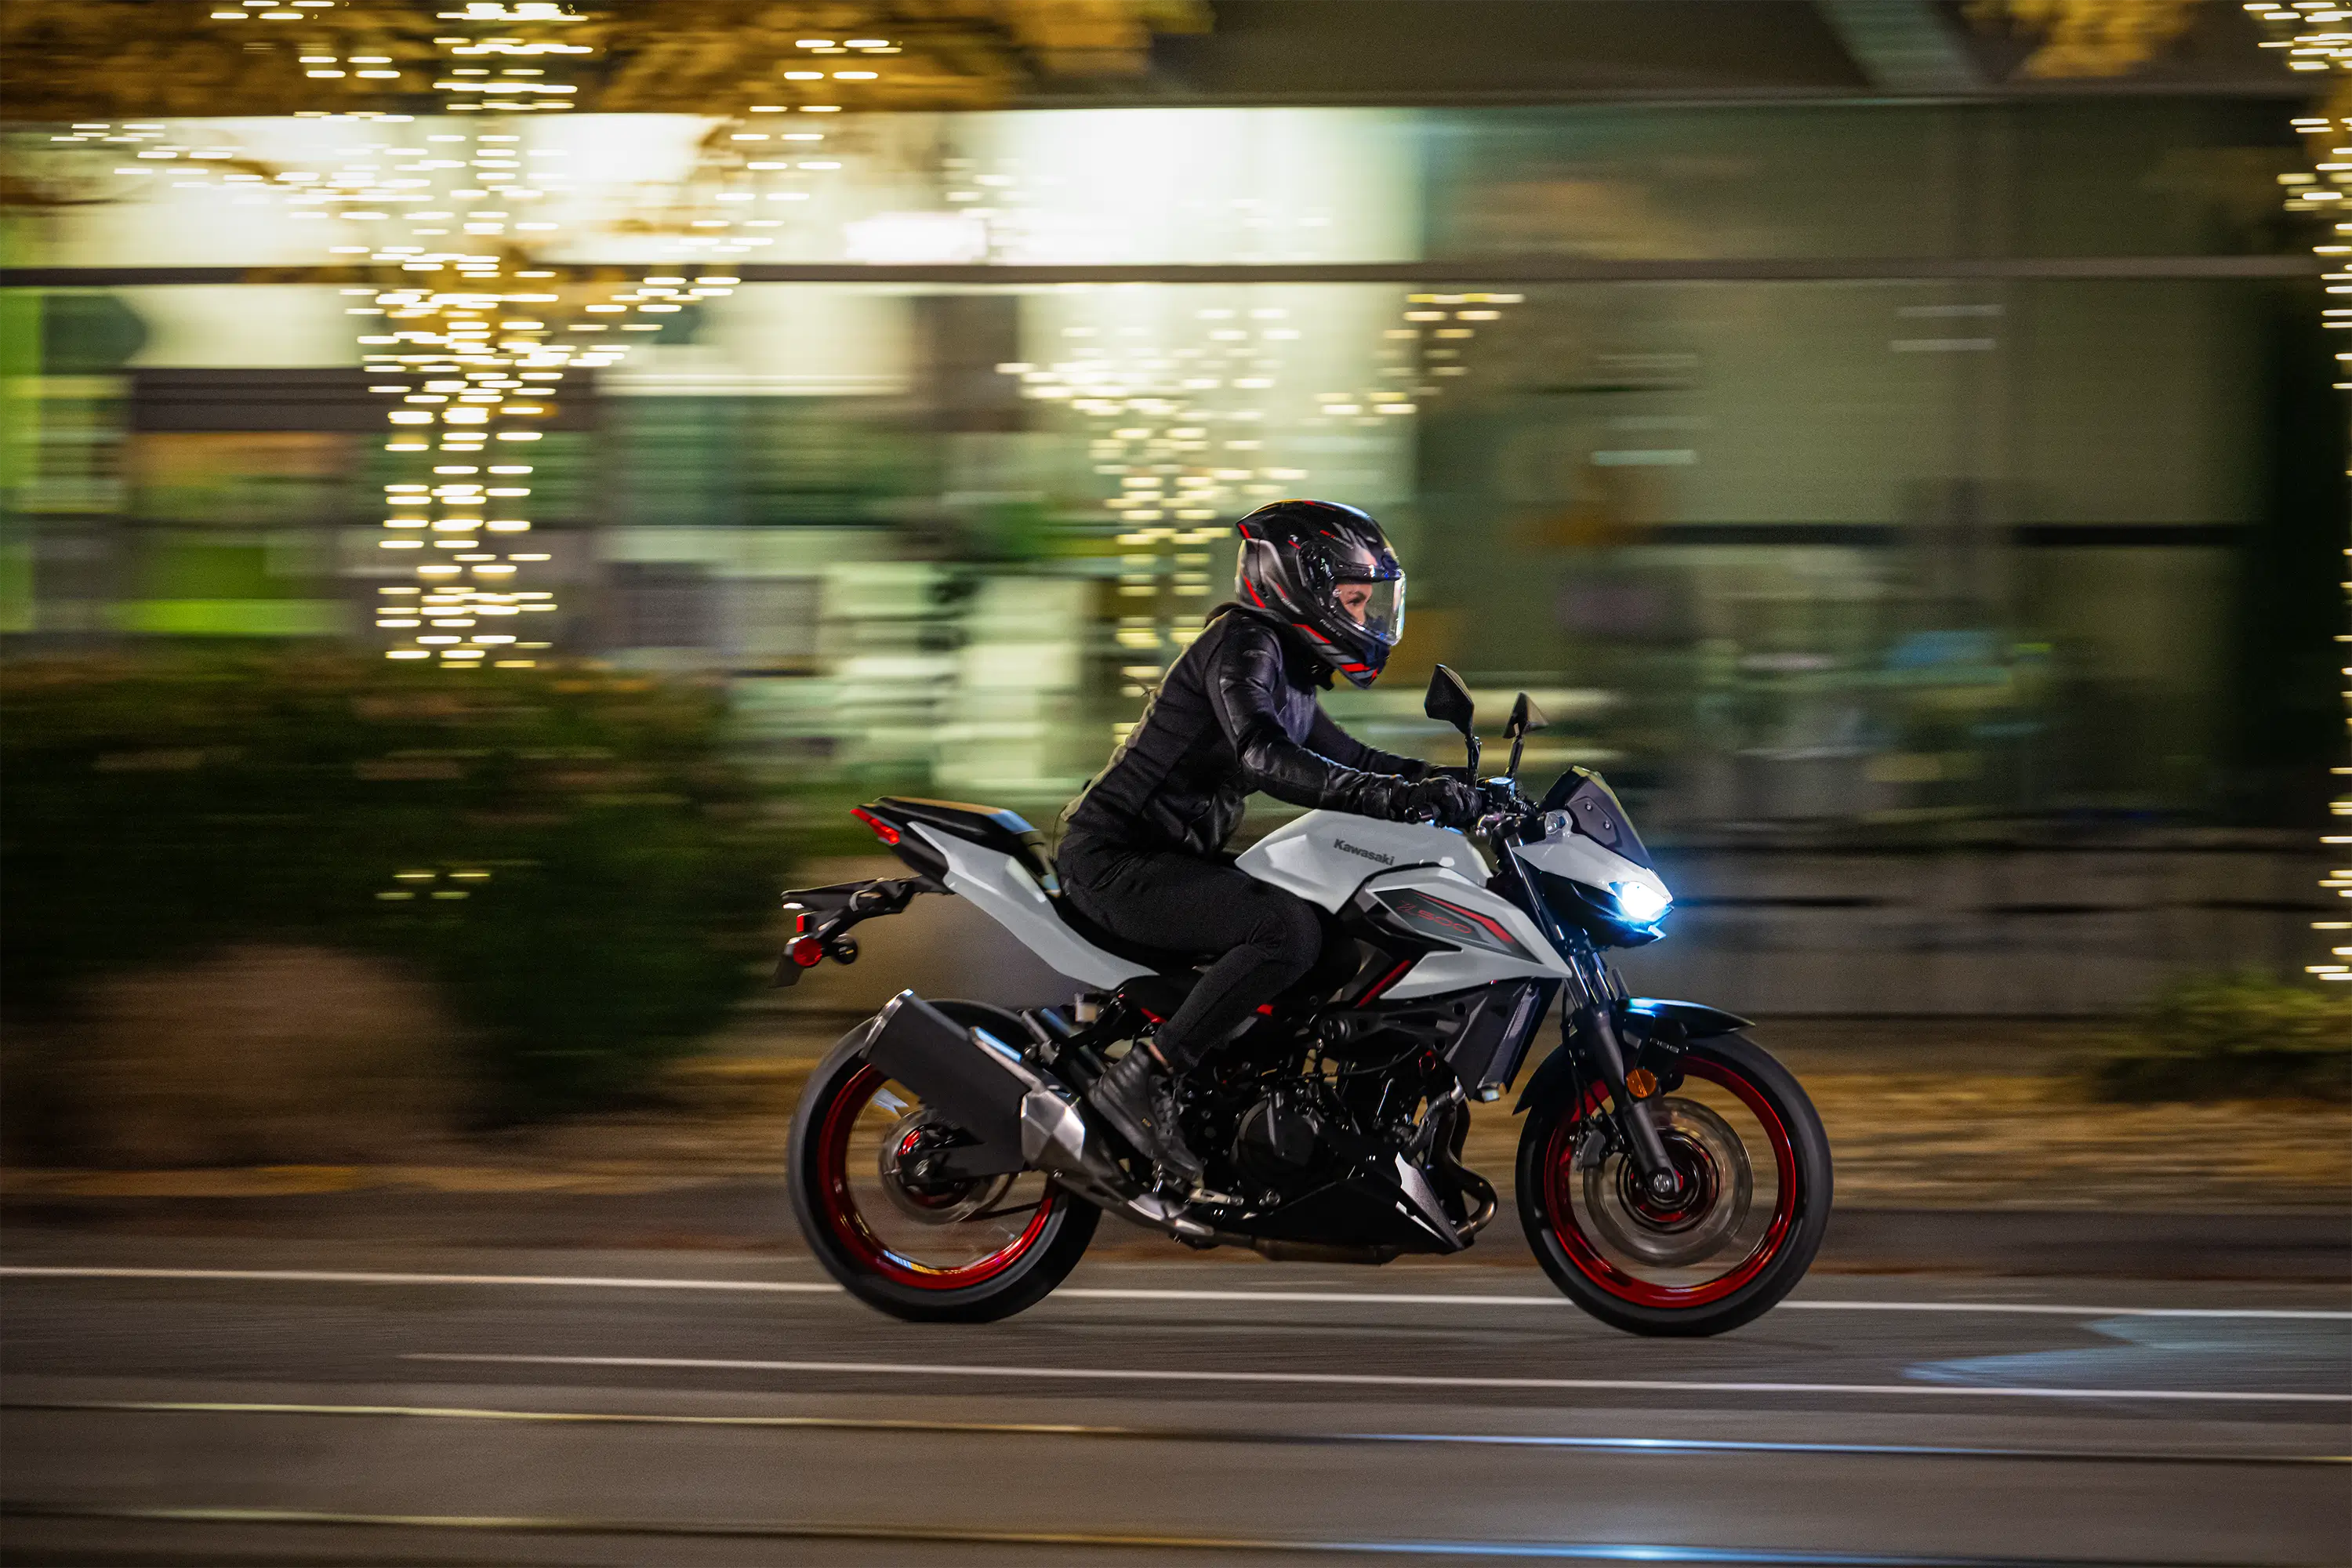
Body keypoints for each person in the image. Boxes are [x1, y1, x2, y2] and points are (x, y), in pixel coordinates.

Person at [1055, 499, 1483, 1189]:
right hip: (1115, 861)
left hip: (1168, 860)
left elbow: (1348, 755)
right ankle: (1143, 1080)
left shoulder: (1284, 665)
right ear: (1302, 583)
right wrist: (1397, 800)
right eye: (1353, 598)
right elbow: (1264, 757)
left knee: (1333, 939)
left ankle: (1238, 1097)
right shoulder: (1242, 645)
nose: (1368, 616)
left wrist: (1446, 783)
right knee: (1284, 932)